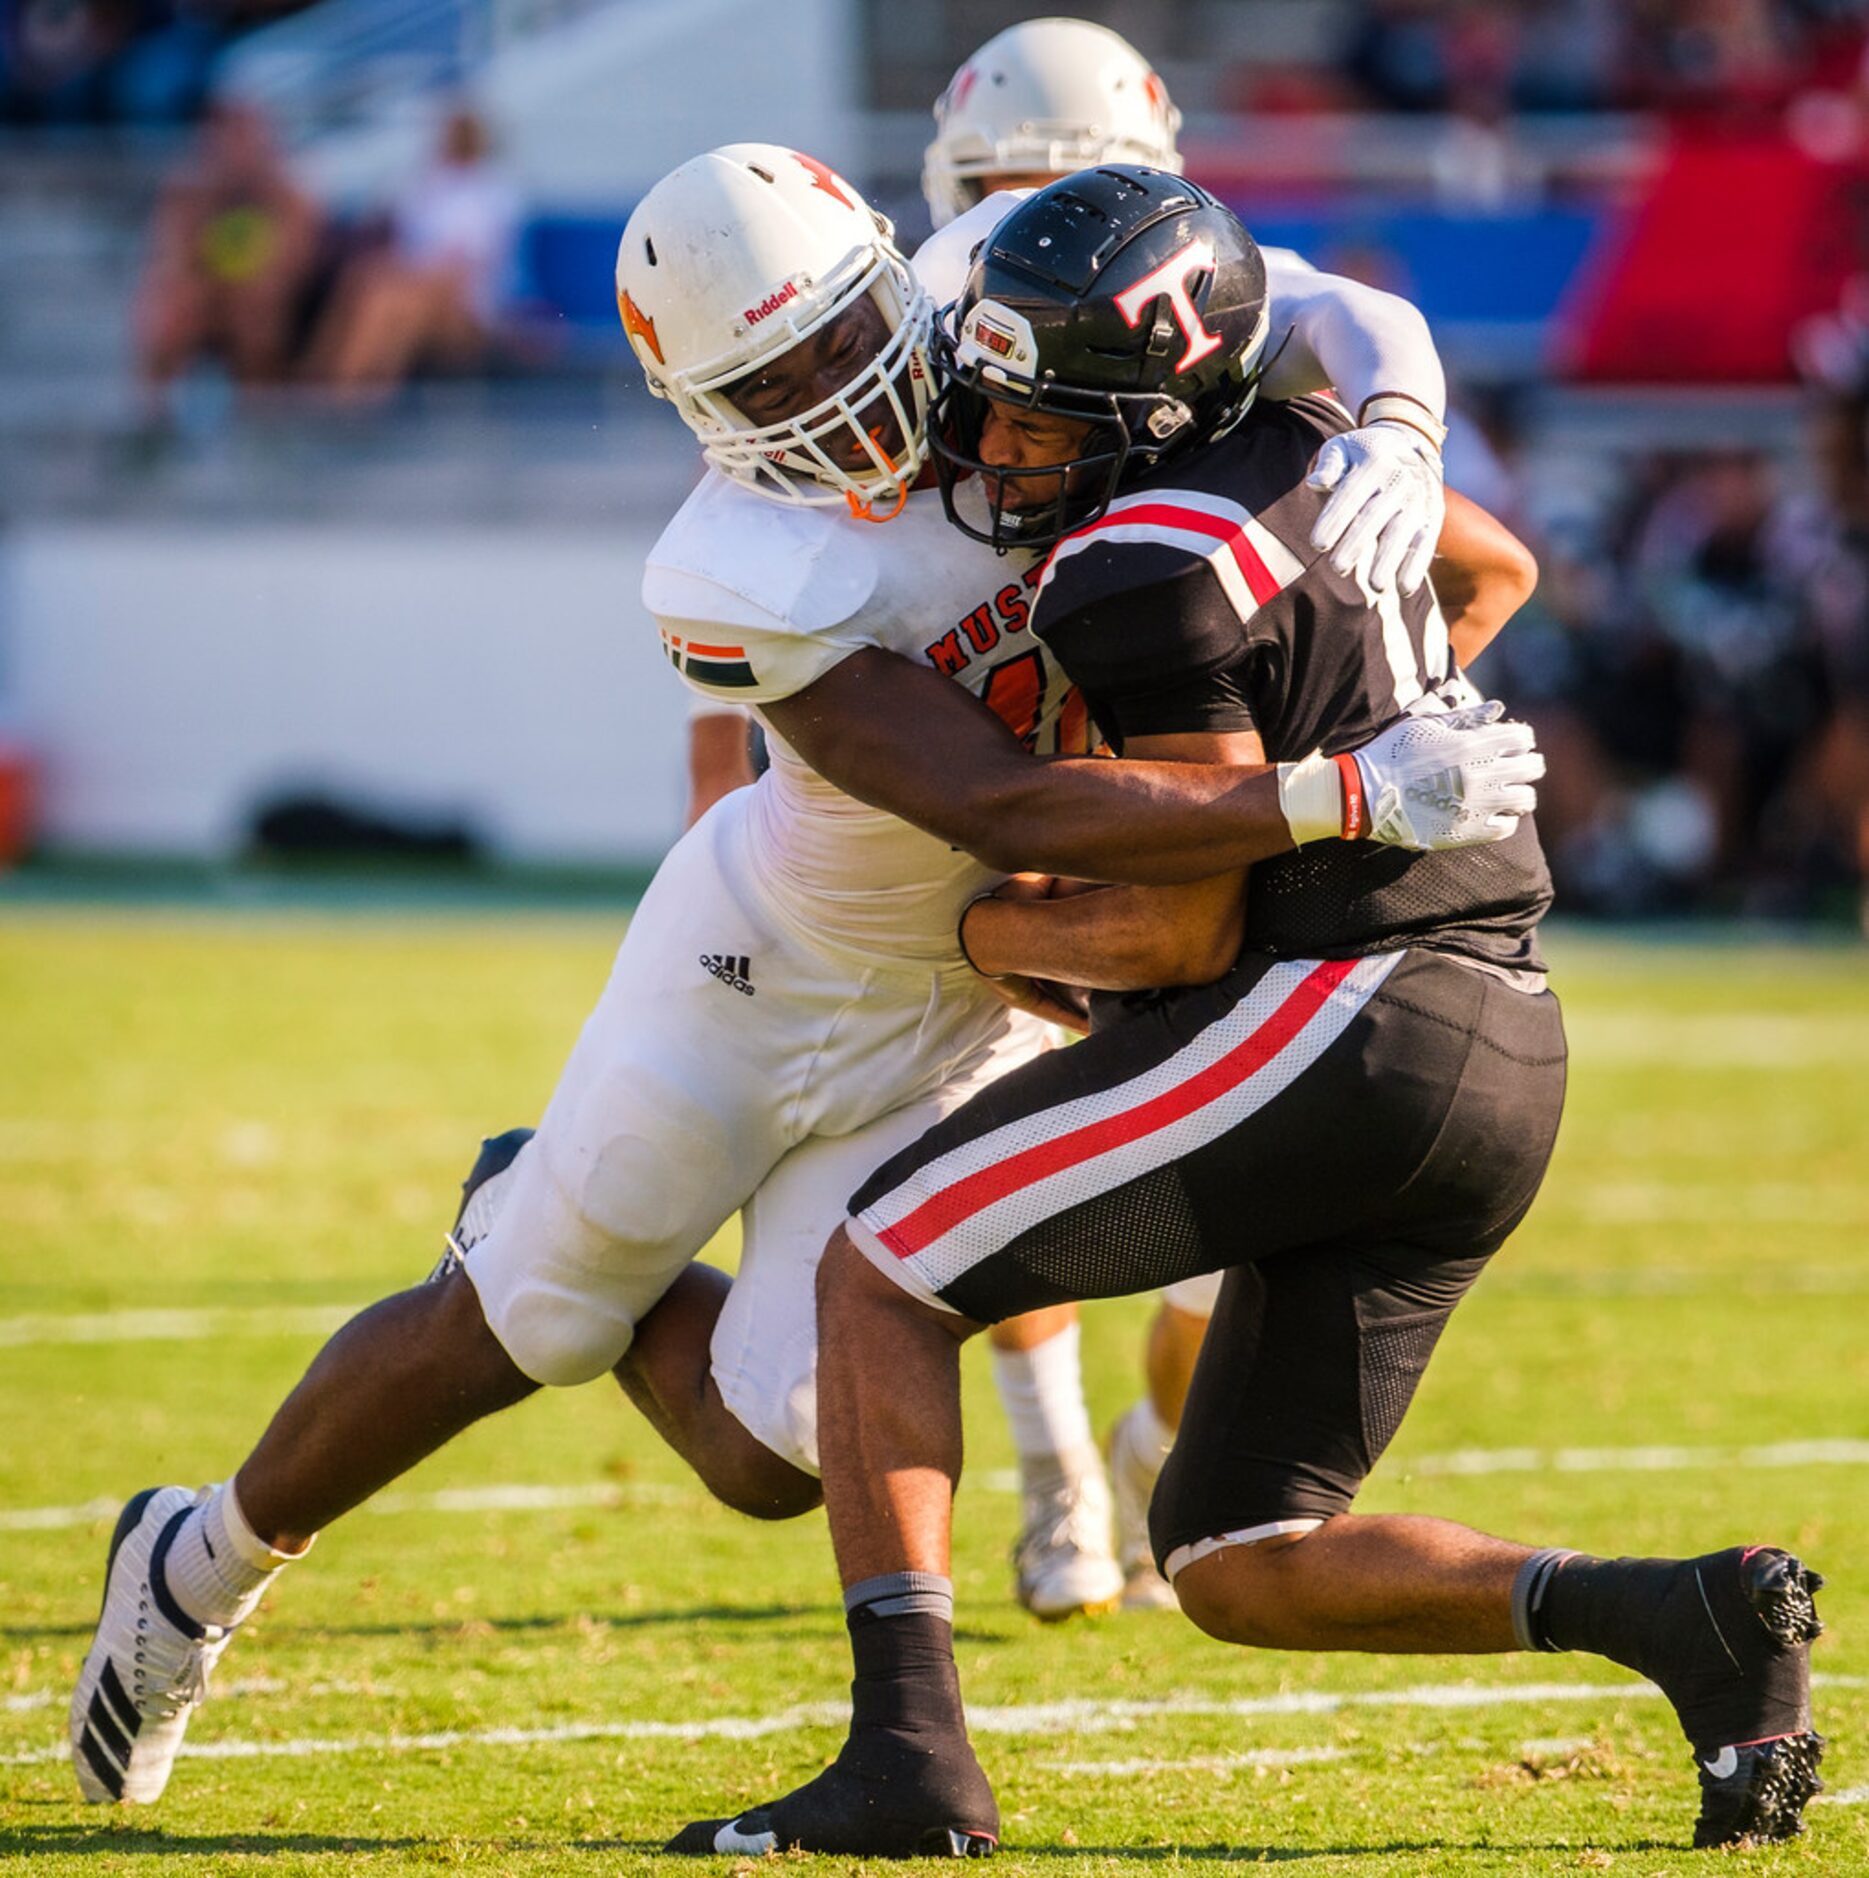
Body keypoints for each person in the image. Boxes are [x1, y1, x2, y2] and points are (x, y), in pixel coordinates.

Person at [67, 145, 1545, 1807]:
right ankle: (195, 1563)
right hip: (761, 959)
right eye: (765, 379)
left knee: (782, 1446)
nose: (829, 394)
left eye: (842, 334)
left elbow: (1342, 314)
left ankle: (545, 1201)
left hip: (977, 989)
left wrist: (1400, 442)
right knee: (535, 1314)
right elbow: (984, 797)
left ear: (891, 269)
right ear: (687, 403)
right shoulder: (734, 563)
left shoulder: (1012, 288)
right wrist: (1325, 790)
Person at [670, 170, 1823, 1860]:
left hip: (1351, 1013)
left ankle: (905, 1756)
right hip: (1502, 1040)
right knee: (1231, 1552)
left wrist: (1006, 923)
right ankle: (1691, 1621)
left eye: (1033, 407)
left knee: (879, 1264)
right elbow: (1490, 568)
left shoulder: (1124, 572)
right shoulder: (1319, 458)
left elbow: (1180, 910)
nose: (989, 436)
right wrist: (1361, 708)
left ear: (1143, 408)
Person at [304, 105, 520, 404]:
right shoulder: (423, 185)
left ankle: (346, 402)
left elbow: (464, 270)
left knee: (395, 302)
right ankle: (333, 390)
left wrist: (409, 276)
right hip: (412, 293)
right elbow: (394, 242)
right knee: (376, 289)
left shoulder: (495, 191)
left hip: (469, 310)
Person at [133, 97, 324, 416]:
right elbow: (173, 264)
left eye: (244, 136)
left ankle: (261, 421)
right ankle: (153, 421)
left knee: (254, 309)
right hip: (211, 298)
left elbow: (292, 270)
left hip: (273, 304)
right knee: (169, 310)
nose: (234, 148)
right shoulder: (188, 196)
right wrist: (208, 203)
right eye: (224, 136)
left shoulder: (290, 197)